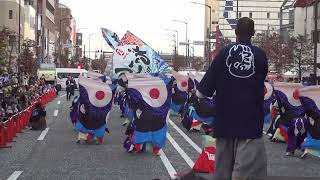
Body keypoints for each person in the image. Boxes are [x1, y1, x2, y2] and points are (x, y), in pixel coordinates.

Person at [196, 17, 268, 180]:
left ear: (236, 32)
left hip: (225, 120)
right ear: (253, 33)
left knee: (222, 170)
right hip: (250, 120)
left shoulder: (223, 53)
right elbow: (261, 79)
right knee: (246, 171)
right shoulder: (260, 56)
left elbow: (204, 90)